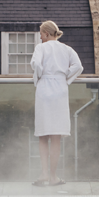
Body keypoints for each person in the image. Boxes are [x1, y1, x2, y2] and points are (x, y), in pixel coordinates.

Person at [30, 20, 84, 186]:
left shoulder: (41, 48)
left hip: (45, 89)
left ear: (46, 33)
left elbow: (35, 64)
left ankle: (44, 174)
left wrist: (39, 77)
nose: (40, 38)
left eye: (41, 35)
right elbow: (78, 66)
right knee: (56, 136)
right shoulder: (66, 49)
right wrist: (65, 77)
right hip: (60, 89)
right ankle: (53, 176)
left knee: (43, 135)